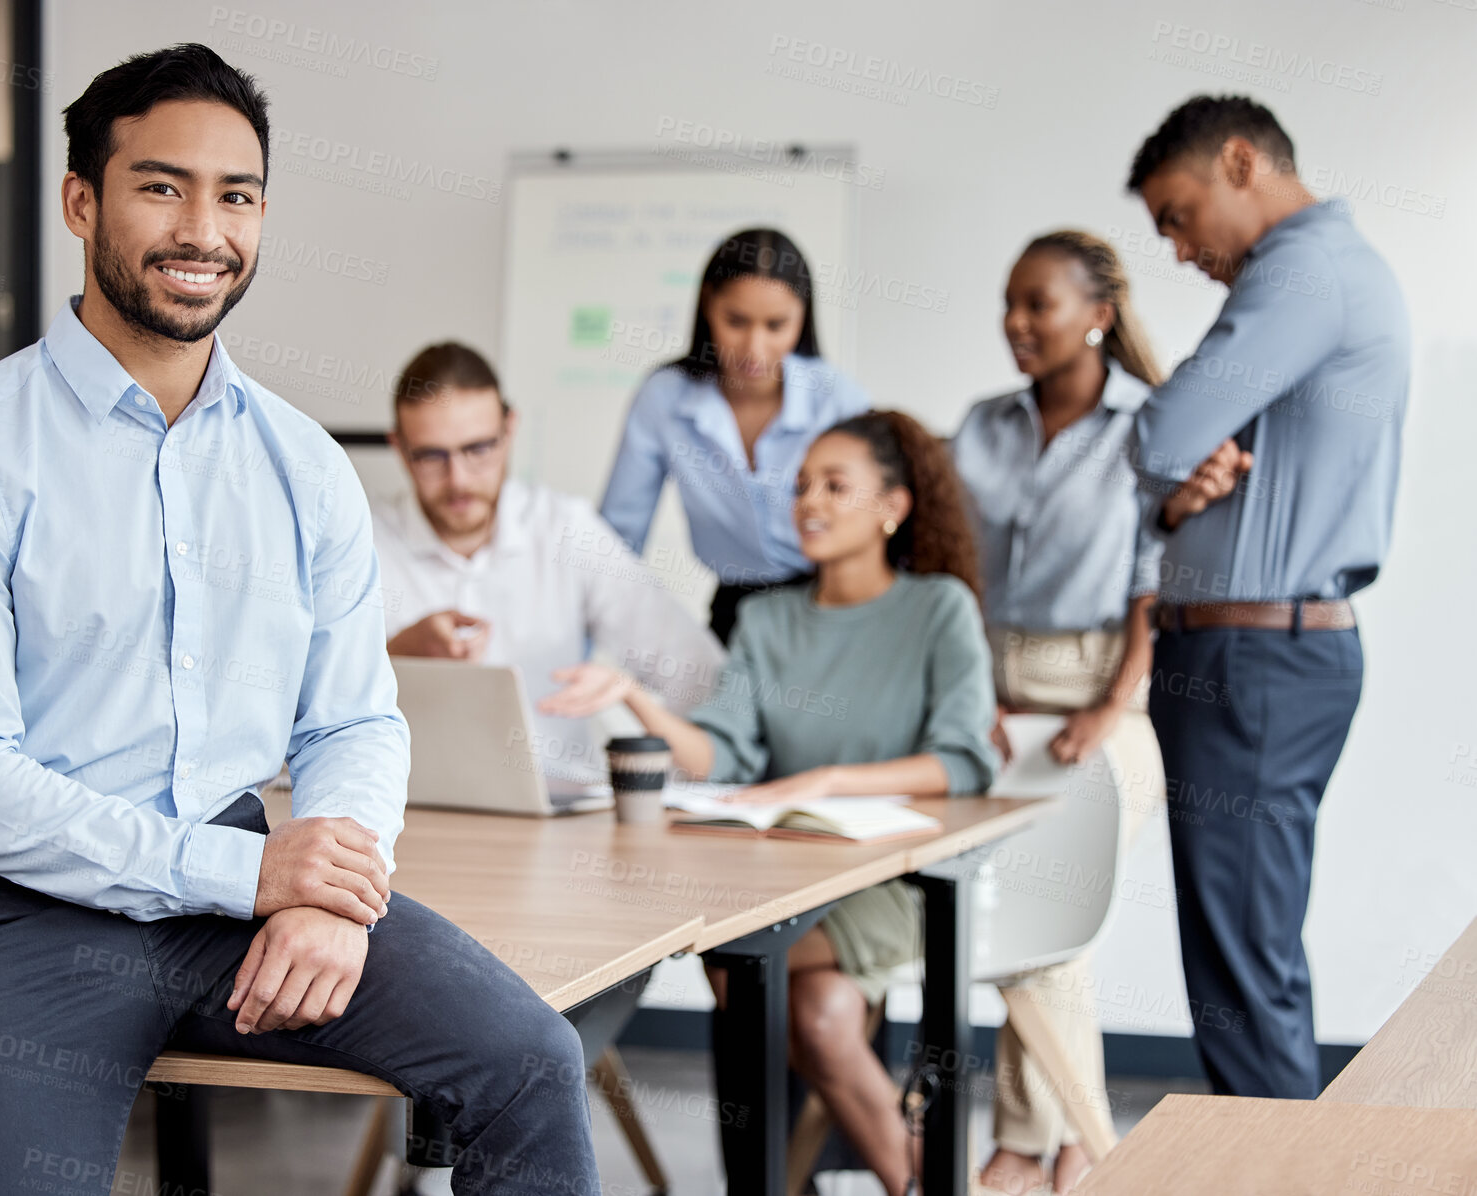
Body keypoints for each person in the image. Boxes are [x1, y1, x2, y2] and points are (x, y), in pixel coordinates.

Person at [0, 45, 596, 1194]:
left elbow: (353, 718)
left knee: (530, 1067)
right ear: (81, 200)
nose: (202, 227)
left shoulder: (303, 465)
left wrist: (338, 898)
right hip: (18, 915)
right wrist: (250, 876)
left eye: (236, 195)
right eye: (162, 186)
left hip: (247, 891)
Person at [555, 410, 999, 1196]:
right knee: (820, 1013)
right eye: (801, 486)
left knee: (739, 965)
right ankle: (925, 1180)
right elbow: (723, 754)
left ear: (893, 506)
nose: (809, 502)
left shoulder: (938, 610)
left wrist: (825, 782)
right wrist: (633, 696)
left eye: (835, 485)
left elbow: (962, 761)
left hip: (893, 877)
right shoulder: (767, 618)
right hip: (785, 879)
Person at [1126, 95, 1410, 1099]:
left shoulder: (1298, 270)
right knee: (1244, 957)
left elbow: (1158, 435)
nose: (1173, 246)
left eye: (1175, 212)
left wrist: (1169, 448)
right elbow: (1188, 461)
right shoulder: (1320, 274)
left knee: (1241, 972)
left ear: (1239, 162)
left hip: (1253, 662)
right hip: (1255, 657)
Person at [951, 230, 1169, 1195]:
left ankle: (1026, 1146)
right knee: (1024, 920)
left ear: (1099, 316)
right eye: (1009, 301)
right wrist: (967, 692)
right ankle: (1076, 1139)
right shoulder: (983, 425)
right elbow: (950, 564)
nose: (1017, 323)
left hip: (1103, 703)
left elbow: (1154, 594)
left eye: (1038, 303)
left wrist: (1105, 709)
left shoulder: (1146, 429)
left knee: (1045, 918)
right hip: (993, 698)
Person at [375, 340, 724, 779]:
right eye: (431, 456)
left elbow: (703, 677)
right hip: (405, 812)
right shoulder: (361, 542)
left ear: (510, 428)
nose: (458, 479)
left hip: (558, 807)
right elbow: (299, 704)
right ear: (399, 447)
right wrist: (396, 653)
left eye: (478, 449)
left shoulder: (566, 530)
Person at [599, 227, 871, 642]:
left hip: (837, 606)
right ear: (708, 304)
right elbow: (617, 539)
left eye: (776, 325)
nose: (754, 349)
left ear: (804, 315)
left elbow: (874, 522)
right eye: (736, 321)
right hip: (735, 614)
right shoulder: (665, 398)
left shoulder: (836, 398)